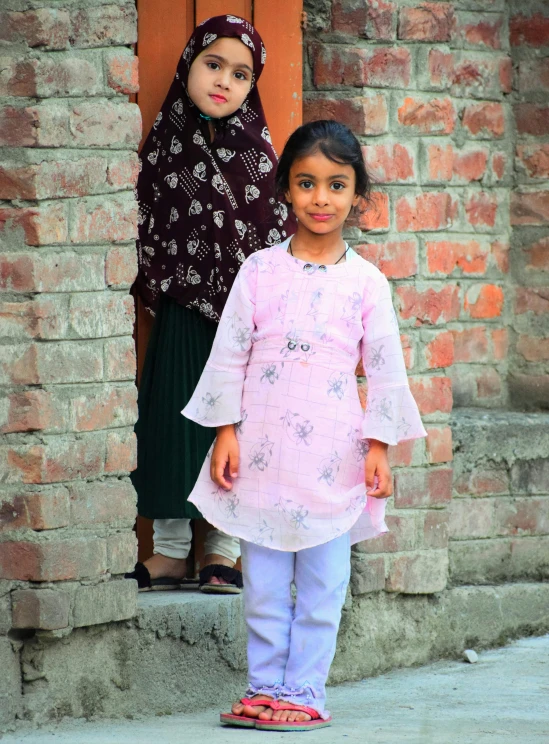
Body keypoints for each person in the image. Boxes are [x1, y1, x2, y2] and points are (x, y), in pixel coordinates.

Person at [182, 120, 427, 728]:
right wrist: (225, 431)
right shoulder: (259, 271)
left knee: (323, 586)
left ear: (355, 195)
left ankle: (305, 693)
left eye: (337, 185)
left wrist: (379, 446)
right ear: (287, 191)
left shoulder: (366, 283)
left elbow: (386, 369)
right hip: (261, 457)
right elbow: (231, 353)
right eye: (307, 183)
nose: (322, 198)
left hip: (333, 459)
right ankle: (265, 686)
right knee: (262, 586)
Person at [126, 15, 294, 593]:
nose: (223, 81)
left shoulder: (258, 154)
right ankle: (171, 550)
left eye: (241, 74)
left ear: (253, 86)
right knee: (174, 421)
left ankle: (219, 552)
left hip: (241, 326)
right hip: (180, 313)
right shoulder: (165, 143)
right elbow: (146, 221)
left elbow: (275, 238)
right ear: (189, 66)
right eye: (213, 65)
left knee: (235, 429)